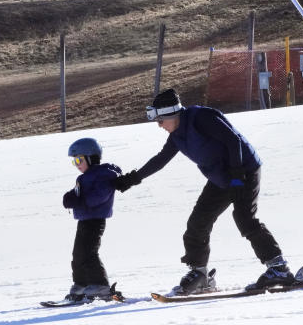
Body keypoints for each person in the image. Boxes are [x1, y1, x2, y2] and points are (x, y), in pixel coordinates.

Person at [114, 88, 293, 295]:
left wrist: (236, 176)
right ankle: (200, 275)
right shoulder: (176, 136)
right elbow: (160, 160)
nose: (159, 126)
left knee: (244, 218)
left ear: (171, 115)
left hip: (244, 170)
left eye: (160, 121)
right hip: (220, 178)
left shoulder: (202, 118)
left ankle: (278, 267)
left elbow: (233, 141)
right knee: (198, 222)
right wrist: (132, 179)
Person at [61, 137, 123, 302]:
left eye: (79, 159)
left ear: (91, 157)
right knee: (78, 254)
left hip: (95, 221)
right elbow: (80, 193)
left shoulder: (103, 175)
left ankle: (100, 286)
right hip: (84, 220)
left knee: (89, 253)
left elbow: (99, 196)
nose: (77, 164)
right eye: (75, 161)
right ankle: (81, 285)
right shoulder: (85, 177)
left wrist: (79, 201)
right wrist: (70, 197)